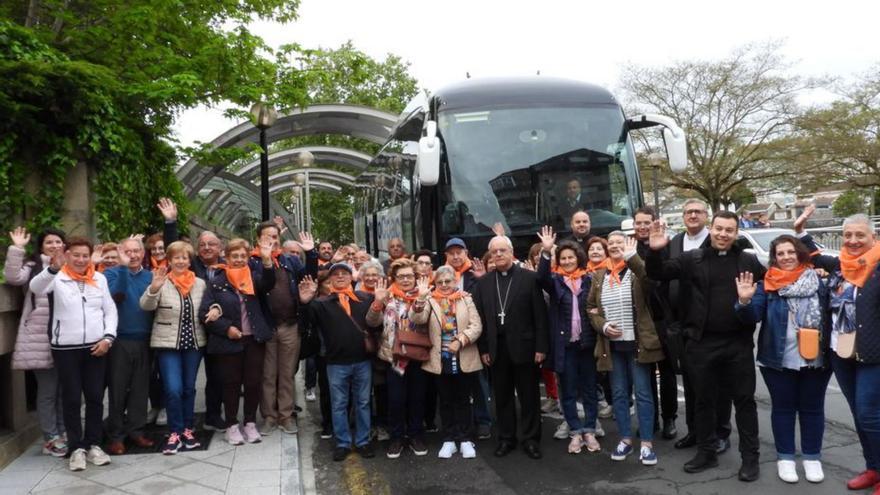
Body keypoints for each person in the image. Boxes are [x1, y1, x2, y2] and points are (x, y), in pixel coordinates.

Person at [646, 211, 765, 481]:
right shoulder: (691, 259)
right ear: (711, 229)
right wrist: (654, 252)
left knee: (744, 401)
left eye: (729, 230)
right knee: (703, 400)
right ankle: (706, 451)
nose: (723, 234)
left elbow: (774, 280)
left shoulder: (747, 259)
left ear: (736, 233)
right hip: (701, 343)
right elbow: (659, 273)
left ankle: (750, 459)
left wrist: (814, 266)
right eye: (719, 228)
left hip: (738, 343)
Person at [794, 209, 880, 492]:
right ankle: (872, 468)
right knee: (858, 413)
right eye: (848, 235)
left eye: (860, 235)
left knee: (869, 414)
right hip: (840, 353)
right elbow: (813, 254)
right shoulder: (842, 264)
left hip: (873, 354)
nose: (853, 240)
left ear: (873, 237)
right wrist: (800, 231)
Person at [734, 234, 831, 483]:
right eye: (780, 254)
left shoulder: (818, 280)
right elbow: (753, 316)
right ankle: (785, 457)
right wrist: (744, 301)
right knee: (783, 409)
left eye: (790, 252)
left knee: (812, 409)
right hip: (777, 359)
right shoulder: (767, 284)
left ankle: (812, 457)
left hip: (816, 358)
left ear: (799, 253)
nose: (786, 257)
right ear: (774, 258)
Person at [30, 237, 117, 472]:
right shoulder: (56, 277)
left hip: (96, 346)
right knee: (71, 398)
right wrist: (53, 268)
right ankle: (76, 448)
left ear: (90, 257)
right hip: (65, 348)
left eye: (85, 255)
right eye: (76, 255)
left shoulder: (99, 278)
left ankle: (94, 444)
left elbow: (109, 310)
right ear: (67, 255)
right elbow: (35, 287)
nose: (80, 259)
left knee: (95, 397)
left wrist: (108, 338)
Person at [588, 232, 664, 465]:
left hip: (638, 344)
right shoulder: (599, 275)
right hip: (612, 347)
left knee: (643, 394)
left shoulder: (635, 270)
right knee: (619, 395)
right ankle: (625, 439)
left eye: (619, 243)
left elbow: (650, 280)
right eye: (610, 243)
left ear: (627, 245)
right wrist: (604, 325)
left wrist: (633, 257)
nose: (614, 246)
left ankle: (647, 444)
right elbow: (591, 307)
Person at [665, 199, 733, 452]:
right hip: (683, 325)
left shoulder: (718, 241)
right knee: (693, 382)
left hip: (712, 324)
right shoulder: (674, 242)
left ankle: (720, 432)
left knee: (718, 384)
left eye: (698, 212)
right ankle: (696, 430)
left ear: (708, 216)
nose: (693, 215)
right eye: (688, 212)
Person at [473, 235, 549, 460]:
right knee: (502, 396)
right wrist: (484, 348)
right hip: (497, 348)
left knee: (529, 396)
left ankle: (531, 439)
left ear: (511, 252)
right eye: (494, 252)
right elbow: (481, 320)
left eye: (502, 251)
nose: (498, 255)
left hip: (525, 347)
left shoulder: (529, 278)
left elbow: (540, 316)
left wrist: (541, 347)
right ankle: (506, 438)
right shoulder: (484, 282)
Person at [199, 238, 276, 445]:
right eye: (235, 256)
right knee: (231, 383)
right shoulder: (217, 282)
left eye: (243, 256)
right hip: (229, 341)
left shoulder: (254, 277)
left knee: (253, 382)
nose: (239, 260)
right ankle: (232, 425)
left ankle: (250, 422)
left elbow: (269, 283)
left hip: (254, 339)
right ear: (226, 257)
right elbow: (204, 313)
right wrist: (226, 329)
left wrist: (267, 260)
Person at [298, 264, 378, 462]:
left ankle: (362, 441)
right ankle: (342, 443)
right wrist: (304, 302)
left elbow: (377, 323)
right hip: (335, 363)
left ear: (352, 277)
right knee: (339, 404)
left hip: (362, 361)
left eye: (344, 274)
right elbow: (306, 323)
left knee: (363, 403)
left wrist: (380, 300)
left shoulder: (365, 298)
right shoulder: (321, 303)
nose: (340, 277)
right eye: (336, 274)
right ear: (330, 280)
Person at [140, 241, 209, 454]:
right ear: (169, 261)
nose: (180, 261)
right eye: (176, 258)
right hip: (167, 343)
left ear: (190, 261)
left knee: (189, 388)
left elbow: (208, 305)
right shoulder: (161, 280)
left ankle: (188, 429)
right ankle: (174, 431)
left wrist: (214, 309)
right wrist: (153, 289)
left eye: (184, 257)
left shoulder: (199, 283)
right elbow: (145, 305)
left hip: (194, 343)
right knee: (173, 389)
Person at [535, 227, 600, 454]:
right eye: (563, 258)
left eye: (571, 257)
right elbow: (540, 278)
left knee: (590, 389)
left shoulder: (589, 280)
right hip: (565, 346)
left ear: (578, 258)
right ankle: (575, 431)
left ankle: (590, 429)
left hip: (587, 344)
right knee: (569, 391)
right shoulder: (555, 281)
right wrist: (545, 252)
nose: (567, 261)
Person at [4, 227, 68, 457]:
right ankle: (51, 437)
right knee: (49, 390)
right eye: (48, 242)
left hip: (66, 335)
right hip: (40, 337)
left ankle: (62, 432)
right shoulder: (33, 268)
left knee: (63, 389)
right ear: (41, 246)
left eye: (58, 241)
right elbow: (12, 277)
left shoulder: (71, 266)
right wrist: (17, 248)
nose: (53, 245)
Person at [250, 223, 318, 437]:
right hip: (267, 325)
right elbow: (261, 286)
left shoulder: (291, 260)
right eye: (268, 236)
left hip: (290, 324)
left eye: (275, 235)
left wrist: (311, 254)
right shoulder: (253, 262)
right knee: (268, 374)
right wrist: (267, 261)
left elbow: (309, 279)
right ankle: (269, 416)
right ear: (259, 239)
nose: (273, 239)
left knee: (287, 373)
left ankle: (286, 415)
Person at [410, 265, 483, 459]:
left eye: (448, 281)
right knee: (446, 400)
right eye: (440, 281)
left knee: (464, 400)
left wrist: (460, 340)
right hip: (439, 359)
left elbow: (476, 325)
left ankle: (466, 439)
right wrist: (421, 297)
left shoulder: (465, 299)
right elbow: (417, 319)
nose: (443, 285)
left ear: (455, 282)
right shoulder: (430, 300)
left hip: (463, 356)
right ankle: (449, 439)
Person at [367, 259, 431, 458]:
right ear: (393, 278)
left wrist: (420, 299)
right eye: (401, 276)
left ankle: (415, 435)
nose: (405, 280)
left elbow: (420, 319)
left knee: (417, 398)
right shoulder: (387, 297)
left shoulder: (424, 296)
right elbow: (371, 321)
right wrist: (378, 301)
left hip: (417, 355)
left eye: (409, 276)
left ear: (415, 278)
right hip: (394, 356)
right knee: (396, 400)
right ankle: (396, 437)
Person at [102, 237, 156, 455]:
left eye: (136, 251)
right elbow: (118, 296)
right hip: (120, 340)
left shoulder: (151, 276)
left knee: (140, 389)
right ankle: (116, 435)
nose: (133, 255)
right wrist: (123, 268)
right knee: (118, 389)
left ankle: (136, 430)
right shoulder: (111, 274)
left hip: (145, 339)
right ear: (120, 253)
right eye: (128, 251)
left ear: (143, 254)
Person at [633, 206, 678, 439]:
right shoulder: (630, 248)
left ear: (654, 223)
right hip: (640, 318)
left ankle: (669, 417)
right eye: (638, 223)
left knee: (667, 371)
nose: (642, 227)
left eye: (646, 222)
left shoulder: (666, 246)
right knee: (645, 373)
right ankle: (650, 419)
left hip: (663, 316)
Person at [444, 237, 491, 440]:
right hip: (449, 339)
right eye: (451, 252)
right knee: (453, 386)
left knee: (479, 382)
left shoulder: (476, 274)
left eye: (459, 252)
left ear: (466, 253)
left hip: (474, 336)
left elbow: (488, 302)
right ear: (446, 255)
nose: (456, 256)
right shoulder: (442, 275)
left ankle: (483, 422)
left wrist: (483, 279)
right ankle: (458, 424)